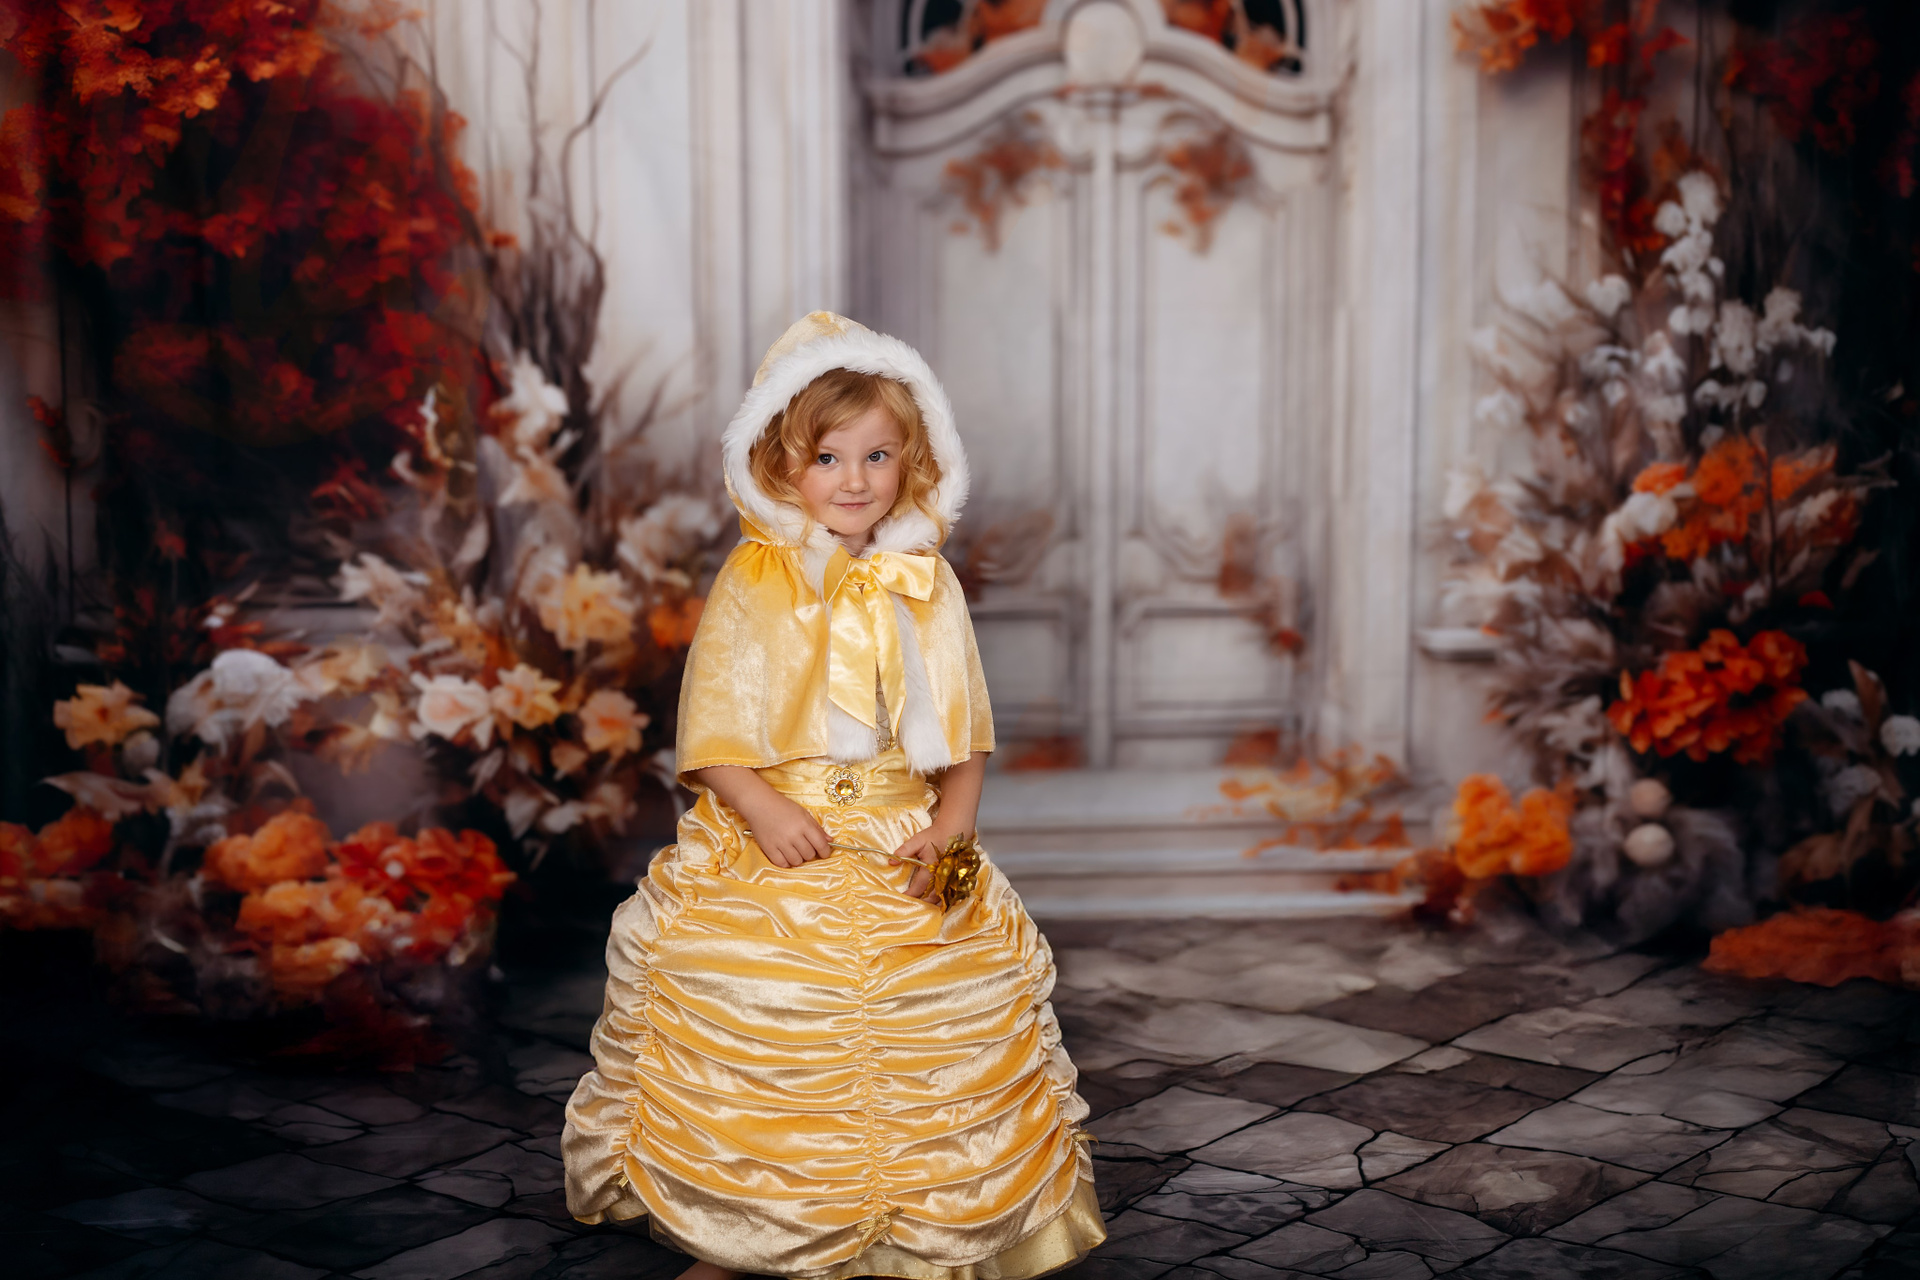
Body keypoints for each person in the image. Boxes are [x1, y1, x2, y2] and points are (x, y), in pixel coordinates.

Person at [563, 312, 1104, 1280]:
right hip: (781, 824)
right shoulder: (755, 579)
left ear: (913, 460)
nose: (854, 479)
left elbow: (965, 732)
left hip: (904, 828)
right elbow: (712, 732)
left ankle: (921, 1234)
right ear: (779, 464)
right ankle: (751, 1228)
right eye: (826, 457)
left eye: (877, 455)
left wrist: (952, 828)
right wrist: (765, 809)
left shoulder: (925, 581)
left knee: (932, 1015)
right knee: (773, 1009)